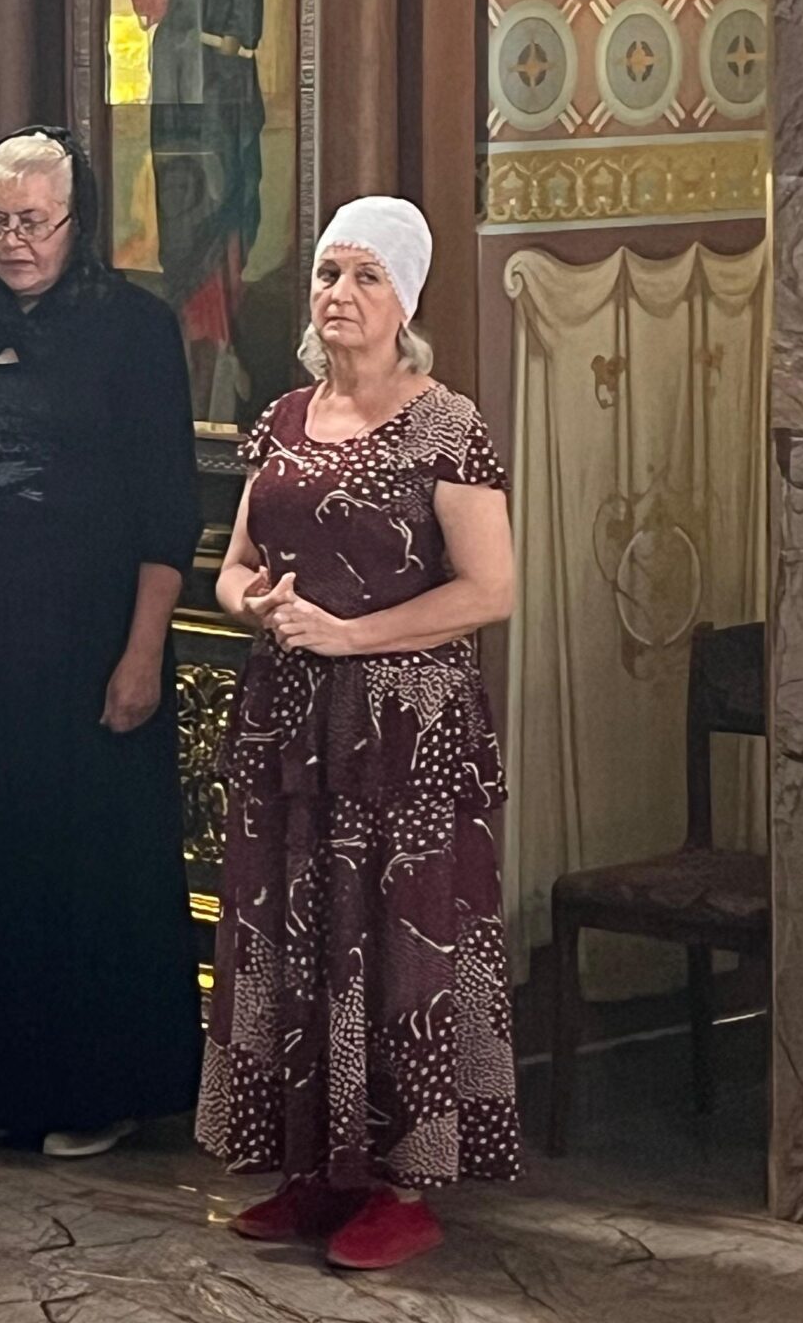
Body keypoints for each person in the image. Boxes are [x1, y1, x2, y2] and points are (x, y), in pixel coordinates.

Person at [198, 196, 519, 1271]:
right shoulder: (285, 417)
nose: (339, 294)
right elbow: (235, 565)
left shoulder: (448, 426)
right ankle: (315, 1166)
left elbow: (489, 589)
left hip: (404, 731)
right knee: (293, 934)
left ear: (405, 302)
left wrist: (350, 638)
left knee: (398, 940)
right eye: (329, 275)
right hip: (291, 722)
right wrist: (257, 607)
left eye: (366, 277)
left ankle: (402, 1185)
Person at [0, 126, 203, 1159]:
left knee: (83, 868)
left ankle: (95, 1091)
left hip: (89, 637)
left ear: (79, 223)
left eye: (33, 221)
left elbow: (167, 510)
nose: (13, 241)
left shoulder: (135, 327)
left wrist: (142, 652)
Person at [129, 0, 265, 422]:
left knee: (227, 194)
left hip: (222, 82)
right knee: (184, 201)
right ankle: (186, 343)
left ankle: (224, 342)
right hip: (178, 80)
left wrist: (237, 32)